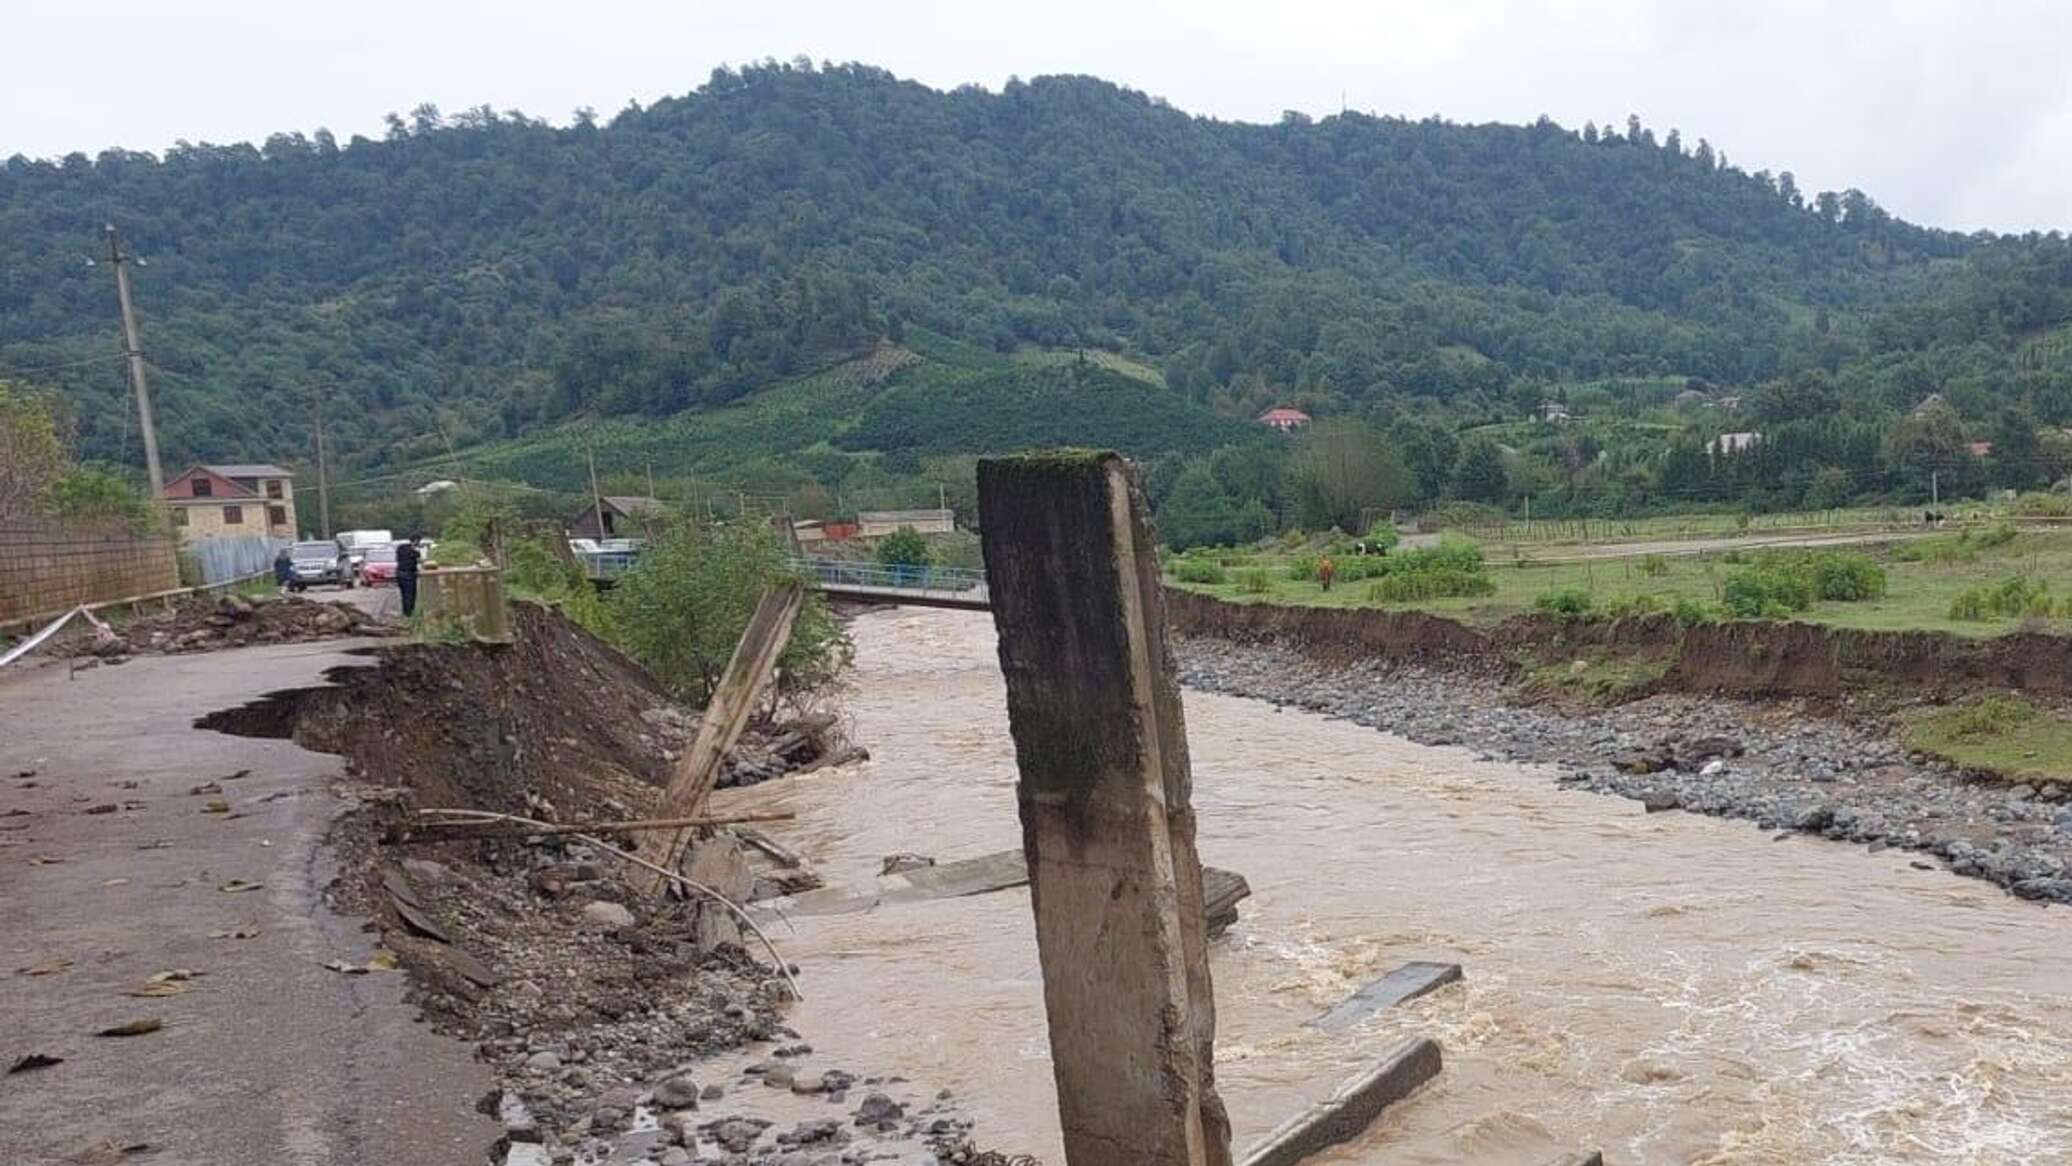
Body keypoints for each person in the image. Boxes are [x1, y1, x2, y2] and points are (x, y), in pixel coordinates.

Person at [395, 536, 422, 617]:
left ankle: (405, 613)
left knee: (404, 595)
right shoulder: (413, 551)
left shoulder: (401, 547)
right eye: (418, 542)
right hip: (408, 575)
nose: (419, 544)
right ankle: (410, 614)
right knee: (410, 595)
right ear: (416, 541)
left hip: (399, 574)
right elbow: (418, 556)